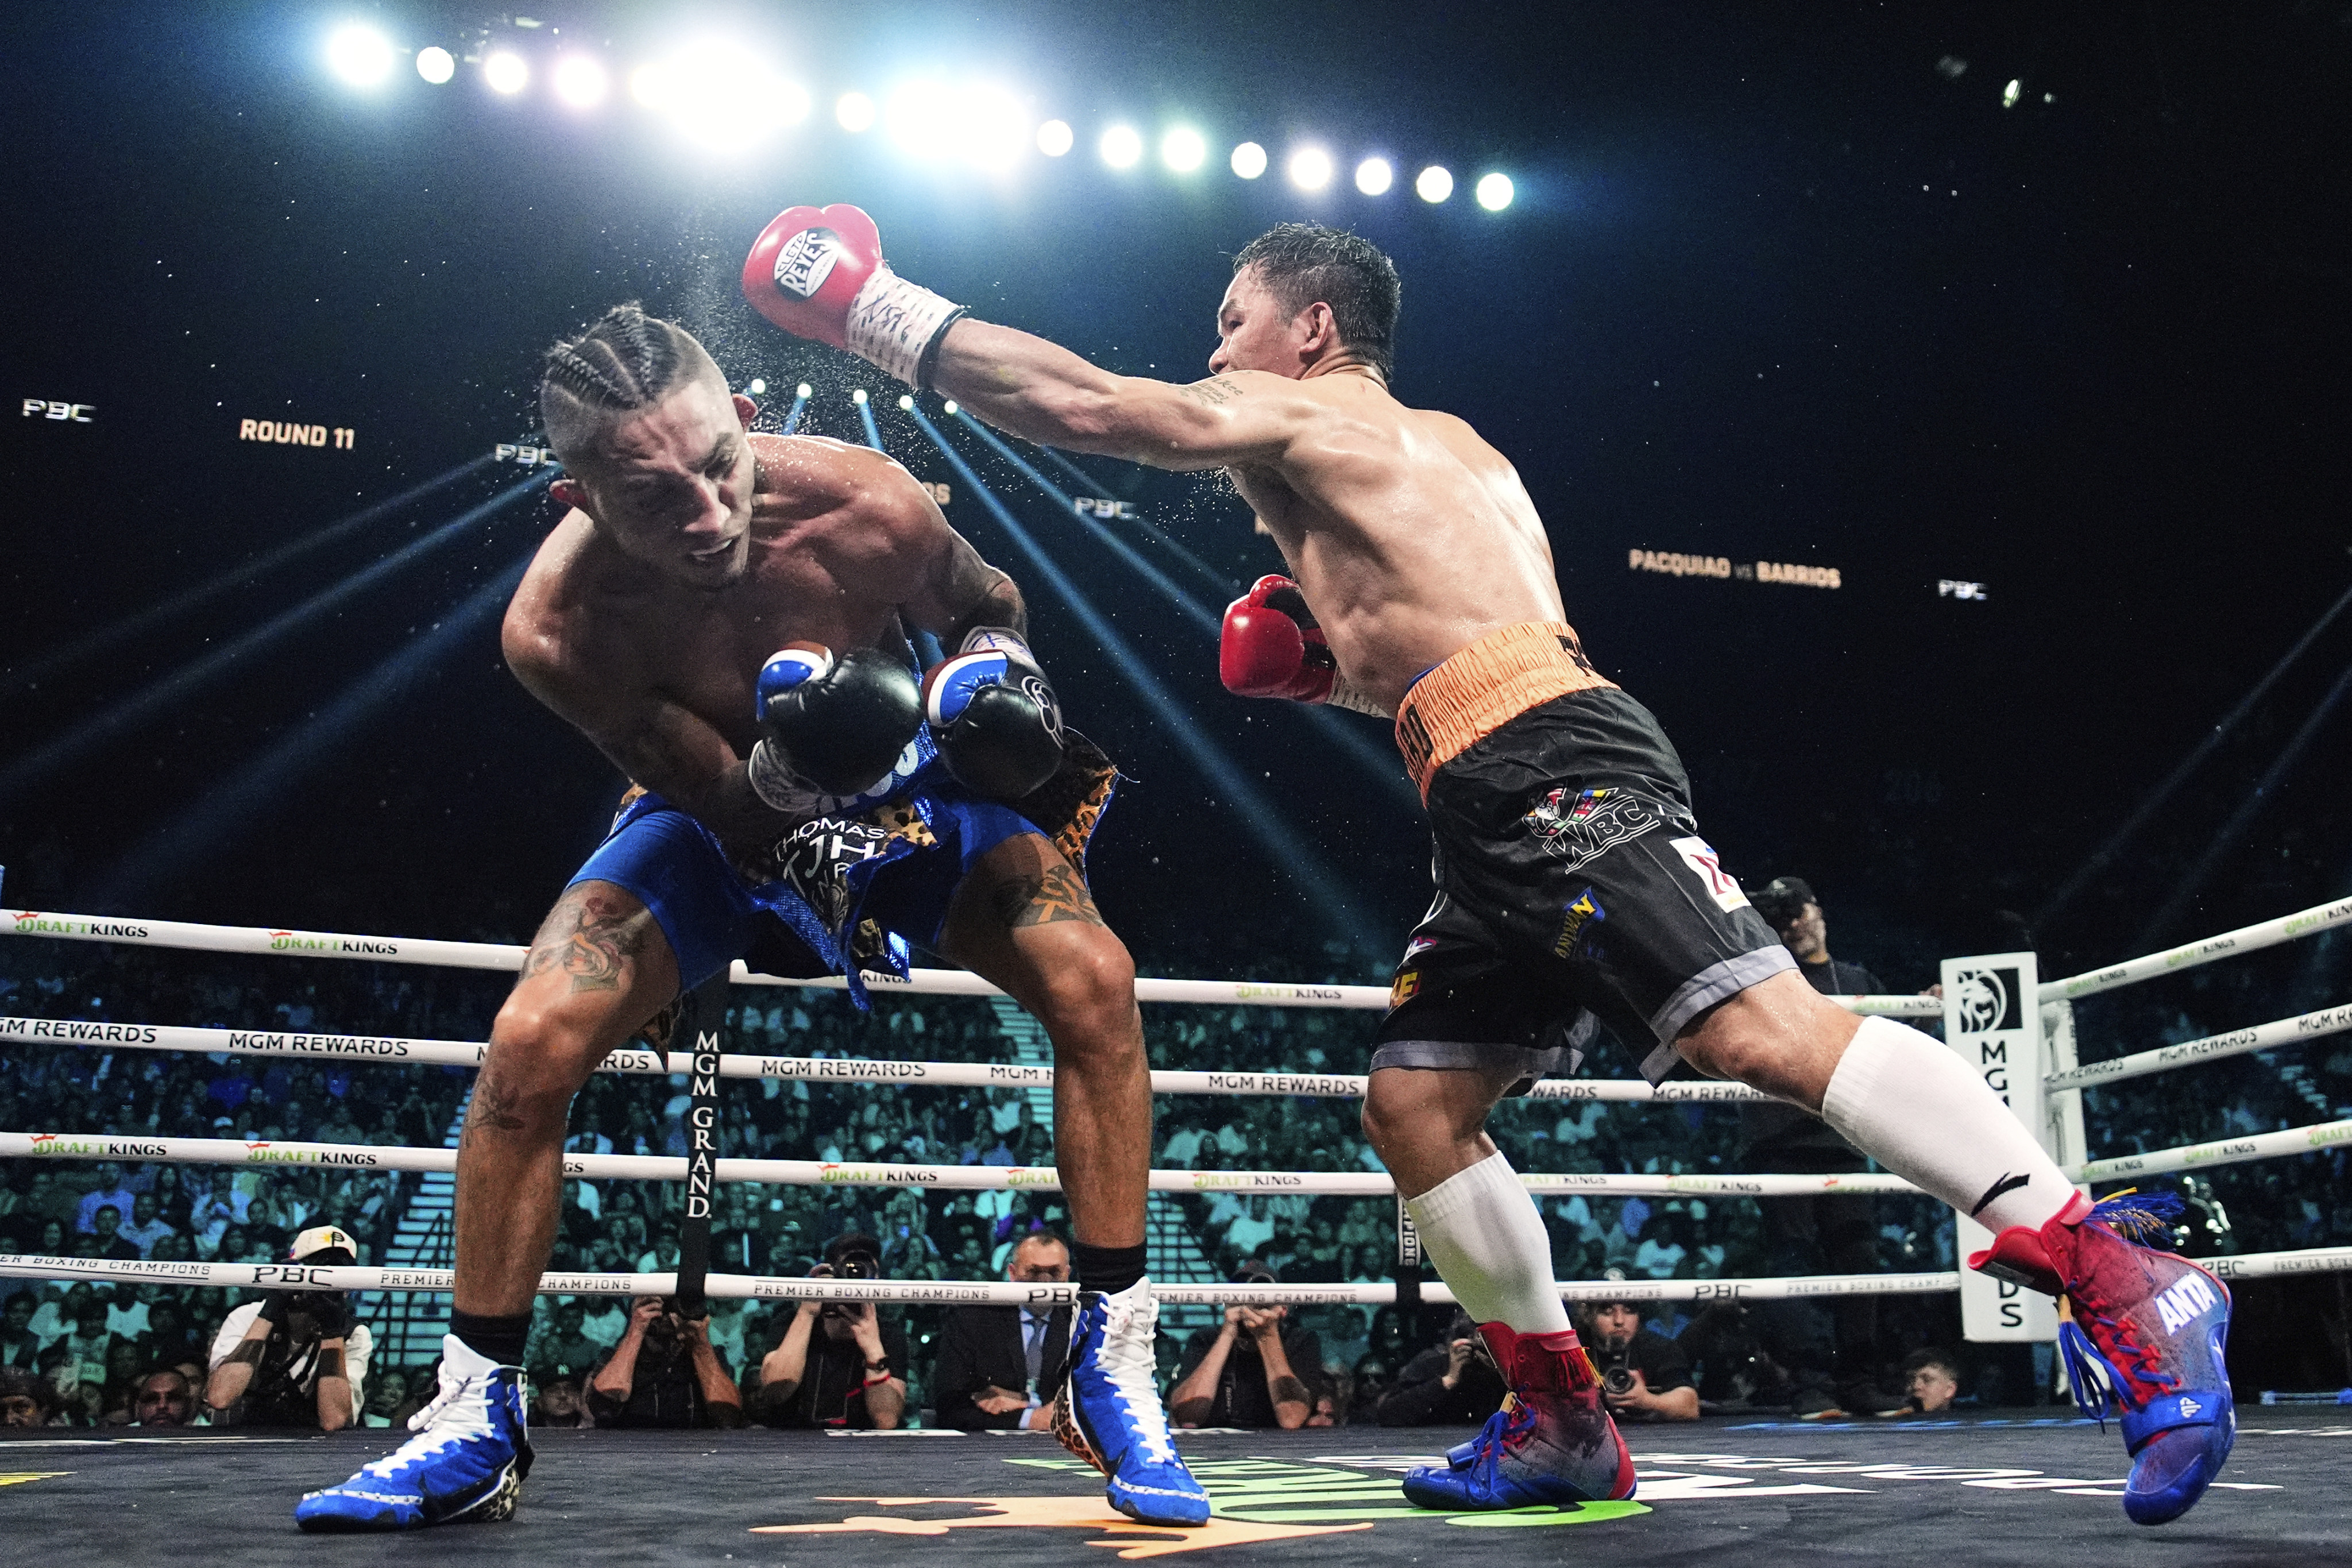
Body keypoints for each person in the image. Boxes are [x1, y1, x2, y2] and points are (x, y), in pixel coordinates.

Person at [741, 208, 2235, 1526]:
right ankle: (1558, 1415)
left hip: (1542, 766)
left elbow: (1093, 406)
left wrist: (871, 308)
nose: (1214, 352)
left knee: (1757, 1030)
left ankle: (2113, 1271)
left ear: (1309, 327)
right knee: (1414, 1103)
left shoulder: (1321, 421)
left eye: (1231, 323)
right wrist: (1329, 675)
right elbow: (1474, 639)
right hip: (1494, 773)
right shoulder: (1458, 452)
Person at [296, 303, 1205, 1530]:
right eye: (653, 499)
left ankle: (1112, 1368)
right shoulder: (554, 629)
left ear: (747, 419)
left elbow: (990, 605)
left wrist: (995, 680)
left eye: (717, 468)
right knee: (528, 1046)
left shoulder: (872, 502)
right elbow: (718, 799)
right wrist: (793, 767)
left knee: (1095, 981)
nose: (707, 517)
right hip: (724, 799)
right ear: (576, 499)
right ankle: (474, 1416)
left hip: (908, 780)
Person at [1739, 876, 1902, 1414]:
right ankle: (1810, 1386)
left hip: (1843, 1138)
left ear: (1818, 910)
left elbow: (1902, 1038)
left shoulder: (1856, 981)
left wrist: (1929, 1005)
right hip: (1778, 1142)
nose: (1792, 923)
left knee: (1857, 1259)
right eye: (1779, 917)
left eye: (1797, 911)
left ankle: (1859, 1382)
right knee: (1795, 1266)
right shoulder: (1763, 980)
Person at [206, 1226, 372, 1431]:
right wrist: (271, 1308)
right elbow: (221, 1398)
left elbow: (334, 1420)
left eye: (338, 1275)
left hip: (310, 1453)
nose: (327, 1283)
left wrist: (332, 1331)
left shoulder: (353, 1334)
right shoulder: (246, 1317)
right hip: (240, 1442)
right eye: (319, 1271)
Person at [754, 1233, 907, 1431]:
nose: (856, 1276)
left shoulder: (889, 1332)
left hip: (862, 1449)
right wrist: (807, 1312)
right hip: (795, 1443)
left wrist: (874, 1349)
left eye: (865, 1270)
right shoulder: (790, 1322)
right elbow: (775, 1392)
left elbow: (886, 1421)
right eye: (849, 1269)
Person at [931, 1229, 1072, 1431]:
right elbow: (951, 1403)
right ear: (1012, 1273)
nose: (1044, 1282)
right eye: (1033, 1272)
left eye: (1054, 1273)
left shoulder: (1085, 1321)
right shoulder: (973, 1320)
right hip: (985, 1448)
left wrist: (1027, 1402)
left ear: (1067, 1275)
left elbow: (1098, 1400)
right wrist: (1031, 1418)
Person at [1167, 1261, 1320, 1430]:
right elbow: (1186, 1416)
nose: (1250, 1303)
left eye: (1261, 1297)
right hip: (1215, 1447)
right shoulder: (1206, 1339)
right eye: (1241, 1295)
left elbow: (1292, 1419)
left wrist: (1268, 1336)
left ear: (1283, 1308)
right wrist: (1228, 1332)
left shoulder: (1299, 1340)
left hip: (1278, 1448)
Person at [586, 1295, 744, 1429]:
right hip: (631, 1451)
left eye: (674, 1304)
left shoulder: (709, 1356)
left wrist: (700, 1345)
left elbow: (729, 1417)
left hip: (695, 1451)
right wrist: (636, 1329)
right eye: (659, 1304)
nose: (667, 1313)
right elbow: (603, 1407)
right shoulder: (619, 1355)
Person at [1573, 1299, 1697, 1423]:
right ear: (1587, 1315)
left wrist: (1649, 1401)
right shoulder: (1572, 1351)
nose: (1619, 1321)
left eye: (1629, 1311)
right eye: (1608, 1312)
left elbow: (1690, 1406)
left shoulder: (1659, 1348)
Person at [1376, 1310, 1507, 1426]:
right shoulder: (1433, 1363)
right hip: (1431, 1442)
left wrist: (1500, 1372)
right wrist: (1447, 1380)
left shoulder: (1506, 1370)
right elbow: (1388, 1413)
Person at [131, 1366, 199, 1428]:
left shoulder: (208, 1435)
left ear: (190, 1405)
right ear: (137, 1407)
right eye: (152, 1399)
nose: (162, 1406)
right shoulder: (123, 1437)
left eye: (173, 1398)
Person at [1902, 1348, 1963, 1414]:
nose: (1916, 1386)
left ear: (1949, 1390)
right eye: (1911, 1380)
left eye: (1927, 1380)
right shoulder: (1895, 1419)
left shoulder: (1967, 1422)